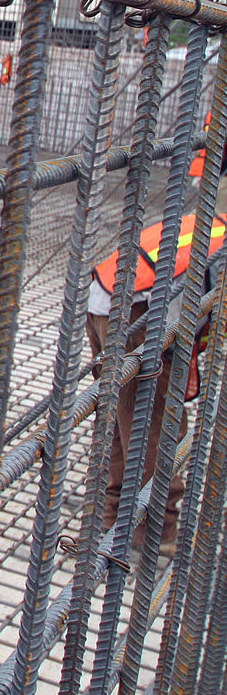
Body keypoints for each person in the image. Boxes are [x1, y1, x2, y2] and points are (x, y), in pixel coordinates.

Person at [86, 209, 221, 555]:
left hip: (106, 299)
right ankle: (155, 531)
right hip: (136, 313)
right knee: (156, 426)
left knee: (123, 418)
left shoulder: (216, 223)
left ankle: (115, 516)